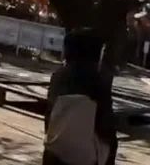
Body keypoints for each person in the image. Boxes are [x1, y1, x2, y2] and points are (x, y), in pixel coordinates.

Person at [43, 29, 117, 165]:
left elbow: (49, 115)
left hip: (55, 152)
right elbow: (106, 125)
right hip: (87, 157)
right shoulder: (98, 80)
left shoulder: (58, 76)